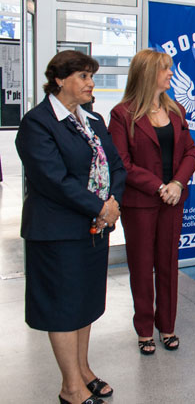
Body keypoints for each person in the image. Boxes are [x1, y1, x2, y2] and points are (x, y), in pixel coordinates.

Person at [16, 50, 126, 404]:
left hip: (93, 229)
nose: (91, 83)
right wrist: (100, 207)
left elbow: (116, 167)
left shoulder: (92, 120)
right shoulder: (38, 123)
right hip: (56, 232)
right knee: (62, 307)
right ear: (59, 80)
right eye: (83, 76)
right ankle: (70, 387)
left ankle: (82, 369)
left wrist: (111, 205)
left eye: (91, 76)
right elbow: (53, 180)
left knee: (85, 302)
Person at [108, 50, 195, 355]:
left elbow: (190, 153)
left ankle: (167, 326)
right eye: (166, 70)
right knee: (141, 266)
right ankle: (145, 330)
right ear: (148, 74)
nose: (171, 74)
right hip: (140, 204)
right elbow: (121, 163)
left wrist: (176, 183)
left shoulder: (177, 111)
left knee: (168, 264)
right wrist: (159, 186)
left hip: (172, 200)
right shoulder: (123, 115)